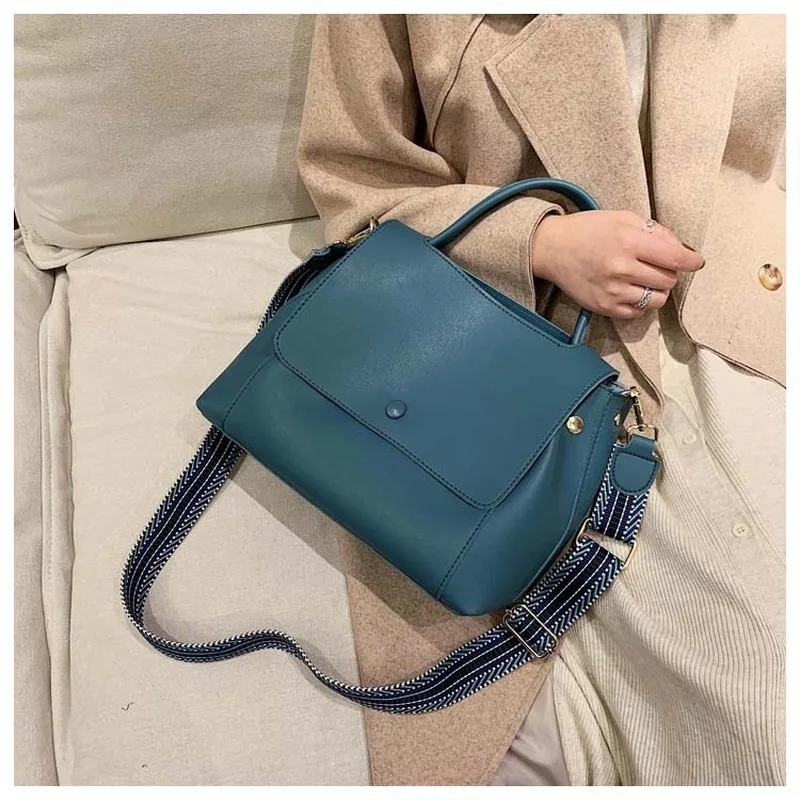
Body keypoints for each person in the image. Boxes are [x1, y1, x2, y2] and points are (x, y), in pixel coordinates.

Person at [297, 14, 785, 786]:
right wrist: (539, 242)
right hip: (538, 347)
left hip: (745, 304)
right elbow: (352, 186)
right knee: (754, 696)